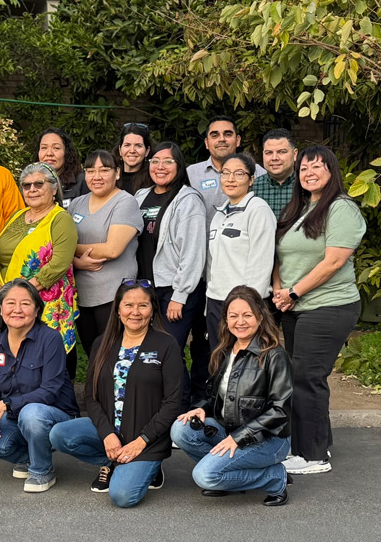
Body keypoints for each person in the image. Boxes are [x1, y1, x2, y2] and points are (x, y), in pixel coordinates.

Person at [273, 145, 366, 475]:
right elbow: (280, 254)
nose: (309, 173)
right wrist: (279, 291)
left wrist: (294, 292)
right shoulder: (297, 208)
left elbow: (334, 261)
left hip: (329, 305)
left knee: (307, 378)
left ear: (332, 171)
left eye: (317, 167)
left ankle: (312, 456)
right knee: (302, 378)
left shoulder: (342, 209)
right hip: (295, 305)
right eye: (304, 168)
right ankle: (317, 441)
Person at [49, 280, 182, 508]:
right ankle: (113, 458)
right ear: (118, 309)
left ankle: (149, 466)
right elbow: (91, 397)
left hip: (147, 439)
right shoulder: (102, 343)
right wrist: (107, 434)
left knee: (122, 496)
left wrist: (142, 441)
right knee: (60, 434)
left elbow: (172, 402)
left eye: (143, 305)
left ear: (152, 310)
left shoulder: (166, 344)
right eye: (129, 305)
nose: (135, 312)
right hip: (110, 429)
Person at [172, 285, 293, 506]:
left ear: (260, 317)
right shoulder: (226, 350)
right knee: (181, 429)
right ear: (226, 320)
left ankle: (275, 477)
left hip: (268, 440)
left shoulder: (274, 354)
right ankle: (227, 478)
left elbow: (280, 410)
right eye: (233, 315)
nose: (240, 321)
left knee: (205, 476)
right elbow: (219, 396)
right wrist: (202, 408)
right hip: (232, 432)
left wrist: (238, 438)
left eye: (247, 315)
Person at [0, 279, 79, 493]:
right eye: (10, 303)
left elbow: (50, 391)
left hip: (54, 415)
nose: (17, 310)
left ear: (37, 309)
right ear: (1, 308)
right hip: (16, 416)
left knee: (32, 413)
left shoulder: (50, 339)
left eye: (25, 304)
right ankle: (30, 457)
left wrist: (4, 405)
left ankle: (42, 470)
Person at [134, 142, 206, 404]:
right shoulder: (140, 197)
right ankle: (159, 410)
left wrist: (180, 295)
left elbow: (194, 251)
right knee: (150, 352)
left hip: (175, 290)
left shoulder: (188, 200)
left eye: (167, 161)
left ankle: (181, 410)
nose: (160, 167)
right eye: (155, 161)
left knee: (169, 351)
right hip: (145, 289)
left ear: (179, 166)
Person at [0, 162, 79, 374]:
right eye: (26, 185)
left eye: (39, 184)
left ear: (54, 188)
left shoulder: (60, 219)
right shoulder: (16, 217)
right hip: (9, 301)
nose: (32, 190)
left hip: (46, 304)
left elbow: (59, 262)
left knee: (47, 362)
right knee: (15, 361)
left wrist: (21, 293)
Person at [69, 151, 143, 366]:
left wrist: (72, 248)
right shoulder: (77, 204)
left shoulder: (125, 202)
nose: (97, 176)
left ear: (117, 173)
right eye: (91, 171)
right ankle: (94, 398)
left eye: (104, 170)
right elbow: (59, 244)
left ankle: (116, 399)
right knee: (93, 355)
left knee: (113, 357)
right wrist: (76, 260)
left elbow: (112, 249)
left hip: (112, 296)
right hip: (82, 295)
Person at [205, 153, 275, 352]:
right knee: (218, 361)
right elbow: (212, 263)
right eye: (225, 173)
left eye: (239, 174)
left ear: (251, 179)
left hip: (243, 307)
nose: (230, 179)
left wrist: (248, 308)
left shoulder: (258, 210)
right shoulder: (219, 214)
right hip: (216, 302)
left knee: (245, 364)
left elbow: (261, 263)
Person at [186, 115, 267, 225]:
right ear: (206, 143)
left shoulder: (257, 172)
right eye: (215, 135)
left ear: (238, 140)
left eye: (227, 134)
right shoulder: (191, 174)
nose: (222, 139)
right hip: (202, 242)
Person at [35, 127, 87, 207]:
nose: (49, 153)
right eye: (44, 148)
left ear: (66, 152)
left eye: (56, 148)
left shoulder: (82, 181)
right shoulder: (31, 183)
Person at [253, 128, 298, 219]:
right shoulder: (252, 188)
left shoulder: (306, 186)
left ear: (295, 154)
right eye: (269, 153)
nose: (274, 158)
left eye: (281, 152)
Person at [114, 123, 154, 195]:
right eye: (127, 145)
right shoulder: (110, 177)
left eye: (138, 146)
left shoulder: (153, 181)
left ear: (147, 151)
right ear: (120, 150)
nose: (132, 150)